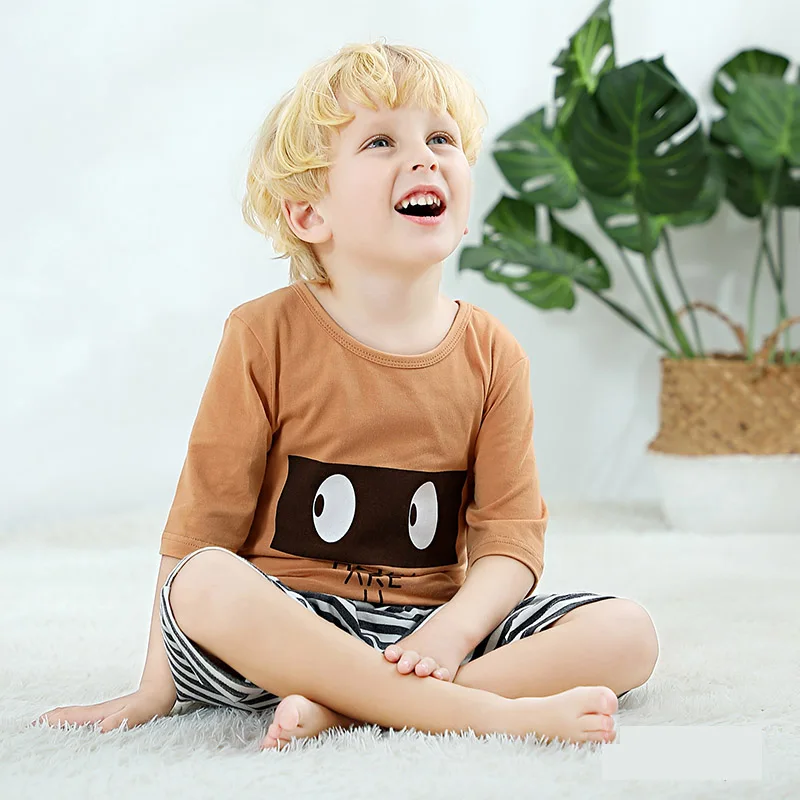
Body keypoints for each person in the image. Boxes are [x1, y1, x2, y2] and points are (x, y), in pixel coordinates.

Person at [33, 40, 658, 751]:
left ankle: (351, 708)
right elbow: (200, 525)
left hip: (424, 631)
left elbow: (509, 540)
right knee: (205, 582)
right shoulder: (263, 334)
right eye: (382, 142)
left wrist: (451, 633)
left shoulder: (494, 353)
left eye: (441, 139)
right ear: (308, 214)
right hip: (280, 631)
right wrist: (155, 689)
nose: (424, 158)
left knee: (628, 632)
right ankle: (482, 714)